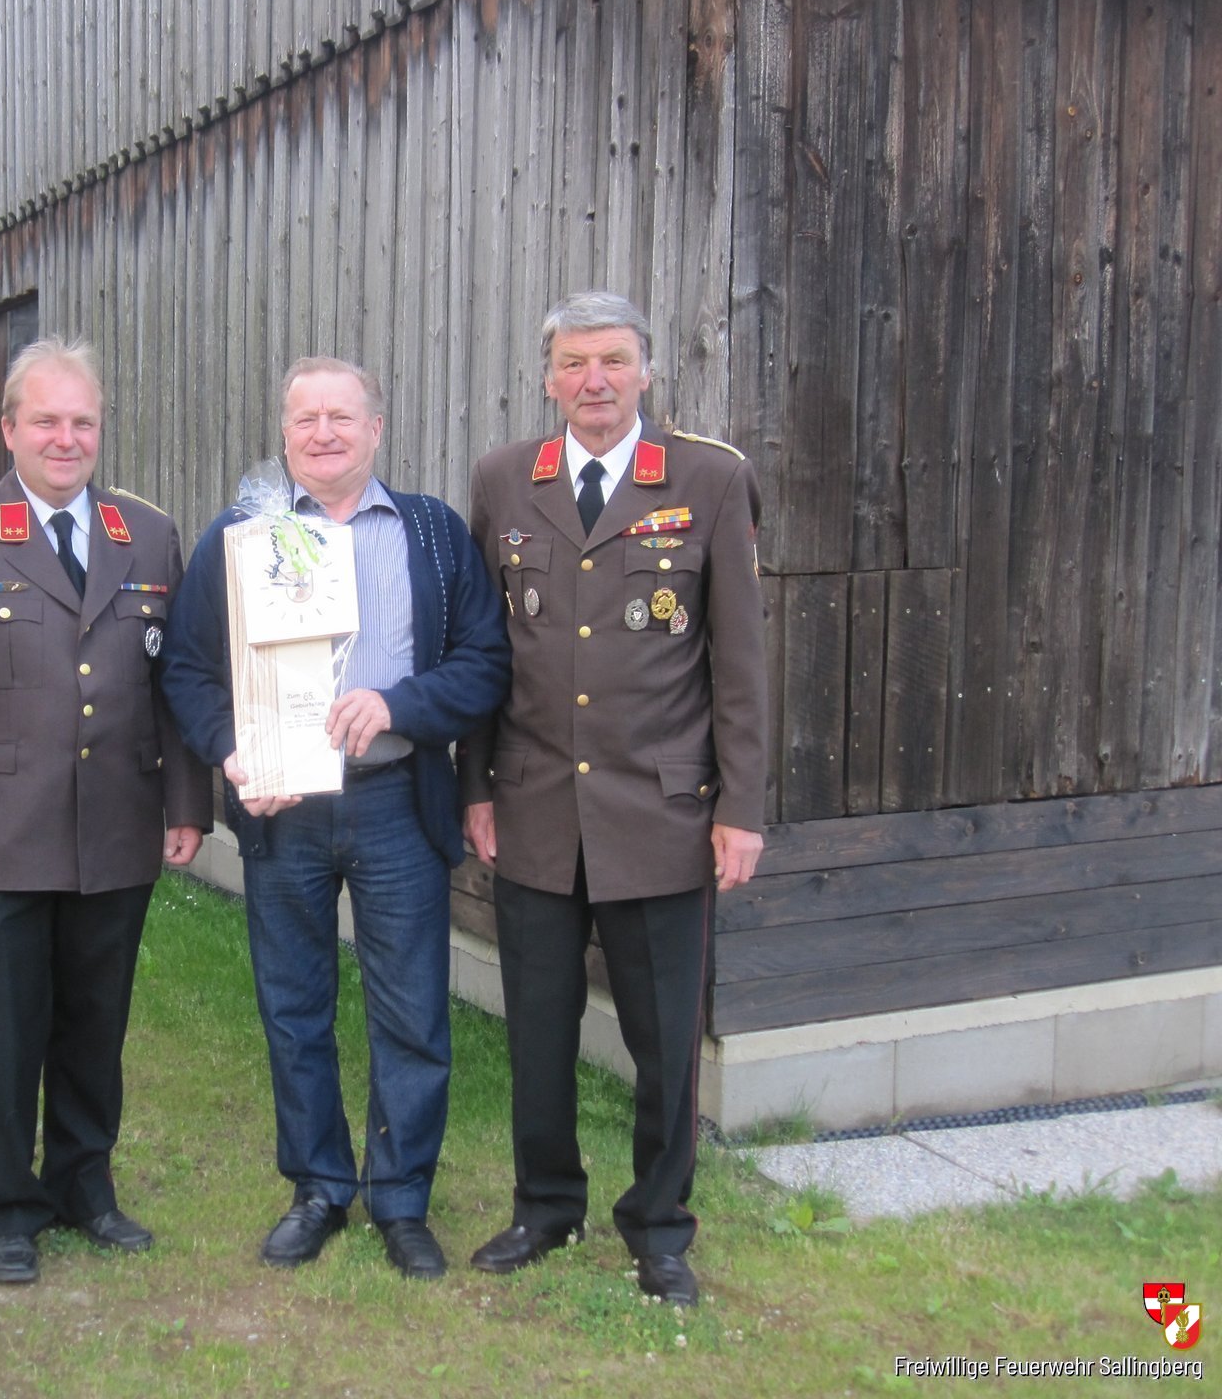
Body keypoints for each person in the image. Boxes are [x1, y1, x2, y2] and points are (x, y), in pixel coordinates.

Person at [162, 358, 509, 1280]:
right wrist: (231, 749)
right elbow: (187, 670)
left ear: (376, 430)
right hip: (284, 808)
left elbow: (485, 660)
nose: (323, 433)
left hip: (397, 800)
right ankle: (318, 1187)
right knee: (294, 1007)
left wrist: (400, 705)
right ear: (284, 433)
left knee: (412, 1010)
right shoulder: (243, 536)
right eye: (305, 418)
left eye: (342, 417)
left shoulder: (430, 532)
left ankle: (402, 1201)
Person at [459, 291, 768, 1305]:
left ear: (646, 370)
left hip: (662, 815)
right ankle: (545, 1208)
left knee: (665, 1040)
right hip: (537, 806)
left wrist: (741, 808)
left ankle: (660, 1226)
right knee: (538, 1030)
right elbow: (484, 650)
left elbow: (740, 665)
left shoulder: (709, 479)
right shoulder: (505, 479)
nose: (595, 381)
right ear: (548, 377)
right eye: (575, 363)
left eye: (614, 361)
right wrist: (476, 785)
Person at [0, 338, 212, 1286]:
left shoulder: (146, 534)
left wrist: (186, 801)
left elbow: (172, 682)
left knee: (94, 1024)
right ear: (9, 429)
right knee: (1, 1033)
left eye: (82, 421)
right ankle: (8, 1209)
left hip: (114, 827)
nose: (65, 439)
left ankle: (84, 1188)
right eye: (46, 421)